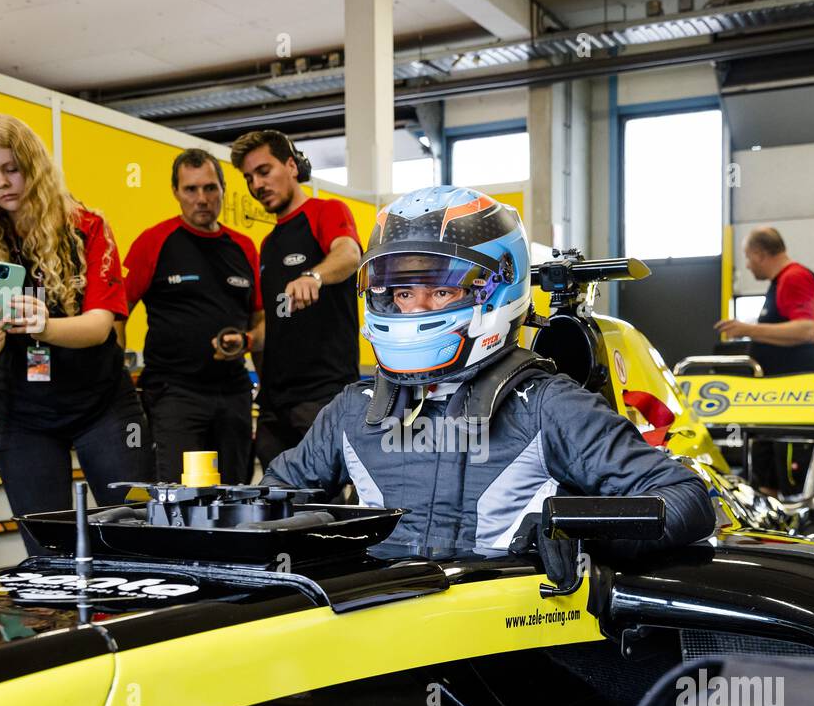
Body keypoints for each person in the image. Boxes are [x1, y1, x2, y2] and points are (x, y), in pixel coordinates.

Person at [260, 186, 716, 559]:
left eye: (439, 292)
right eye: (401, 293)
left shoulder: (547, 406)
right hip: (385, 646)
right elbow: (272, 496)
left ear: (495, 290)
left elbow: (687, 498)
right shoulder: (353, 410)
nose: (414, 307)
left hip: (506, 647)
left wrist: (580, 534)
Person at [0, 113, 152, 551]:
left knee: (136, 537)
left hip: (103, 404)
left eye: (12, 169)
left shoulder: (88, 227)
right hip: (24, 413)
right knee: (48, 550)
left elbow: (101, 328)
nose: (2, 183)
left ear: (35, 166)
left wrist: (44, 325)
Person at [123, 148, 261, 485]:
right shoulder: (153, 242)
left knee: (236, 497)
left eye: (210, 188)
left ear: (223, 190)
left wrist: (247, 341)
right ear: (176, 192)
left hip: (233, 394)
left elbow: (260, 320)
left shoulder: (243, 247)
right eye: (191, 189)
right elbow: (115, 313)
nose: (202, 198)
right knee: (178, 501)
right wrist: (117, 380)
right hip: (174, 394)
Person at [229, 130, 362, 470]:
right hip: (275, 403)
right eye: (249, 178)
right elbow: (271, 324)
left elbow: (349, 254)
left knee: (324, 507)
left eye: (264, 170)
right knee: (275, 502)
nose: (257, 184)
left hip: (322, 396)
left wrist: (313, 276)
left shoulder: (325, 212)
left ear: (291, 165)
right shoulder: (269, 244)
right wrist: (245, 341)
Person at [714, 227, 814, 376]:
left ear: (760, 255)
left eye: (748, 257)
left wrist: (747, 330)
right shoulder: (782, 281)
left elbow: (807, 330)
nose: (747, 265)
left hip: (792, 384)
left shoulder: (794, 277)